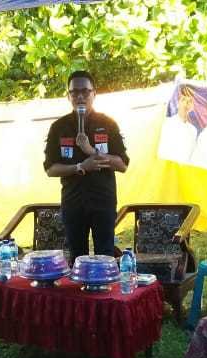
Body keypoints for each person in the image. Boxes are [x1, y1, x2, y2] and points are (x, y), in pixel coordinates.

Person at [43, 70, 129, 263]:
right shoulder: (59, 127)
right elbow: (50, 169)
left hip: (103, 201)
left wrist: (90, 150)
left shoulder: (108, 124)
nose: (80, 96)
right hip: (73, 202)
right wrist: (80, 166)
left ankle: (103, 283)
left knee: (105, 256)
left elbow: (122, 164)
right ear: (68, 96)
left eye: (85, 91)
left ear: (94, 93)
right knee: (77, 258)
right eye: (74, 92)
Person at [157, 85, 199, 162]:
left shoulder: (193, 130)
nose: (186, 104)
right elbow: (161, 152)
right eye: (183, 100)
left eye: (190, 101)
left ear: (192, 106)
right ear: (178, 102)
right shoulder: (167, 123)